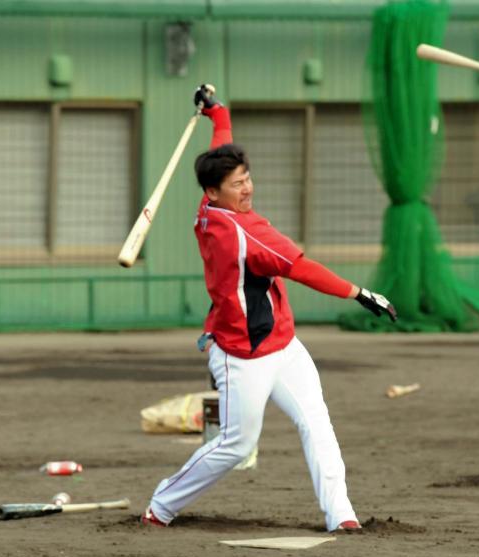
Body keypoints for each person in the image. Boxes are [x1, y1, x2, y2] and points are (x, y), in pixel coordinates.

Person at [141, 84, 397, 532]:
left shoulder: (209, 204)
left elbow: (221, 146)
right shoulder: (243, 233)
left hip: (282, 343)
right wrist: (358, 292)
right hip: (243, 353)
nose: (248, 188)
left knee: (316, 420)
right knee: (237, 445)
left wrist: (216, 112)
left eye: (248, 178)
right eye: (237, 184)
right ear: (214, 192)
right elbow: (301, 268)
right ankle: (161, 504)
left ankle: (341, 514)